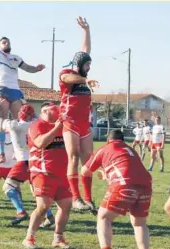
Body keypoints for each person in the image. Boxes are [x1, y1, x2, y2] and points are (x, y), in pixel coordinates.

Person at [0, 11, 45, 163]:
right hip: (2, 89)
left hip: (15, 91)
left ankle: (17, 150)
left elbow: (28, 68)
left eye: (8, 42)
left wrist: (37, 68)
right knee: (0, 120)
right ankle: (1, 153)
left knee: (19, 121)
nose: (6, 44)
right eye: (4, 42)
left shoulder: (16, 58)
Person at [81, 130, 152, 249]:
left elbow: (84, 172)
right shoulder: (131, 150)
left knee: (103, 217)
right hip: (146, 184)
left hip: (124, 183)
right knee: (139, 223)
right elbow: (126, 166)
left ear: (108, 140)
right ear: (123, 141)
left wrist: (87, 197)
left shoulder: (104, 148)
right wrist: (106, 173)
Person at [59, 16, 99, 212]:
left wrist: (86, 30)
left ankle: (89, 199)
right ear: (79, 65)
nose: (88, 68)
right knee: (73, 157)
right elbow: (67, 77)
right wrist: (86, 80)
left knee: (88, 160)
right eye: (86, 66)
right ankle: (75, 198)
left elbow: (85, 50)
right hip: (70, 123)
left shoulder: (82, 70)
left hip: (84, 124)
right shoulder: (68, 73)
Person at [22, 102, 72, 249]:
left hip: (62, 174)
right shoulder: (37, 125)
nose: (57, 112)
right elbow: (40, 143)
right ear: (44, 111)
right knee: (43, 206)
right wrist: (56, 128)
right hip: (42, 172)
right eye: (53, 110)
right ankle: (29, 238)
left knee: (66, 206)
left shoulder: (63, 125)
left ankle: (58, 238)